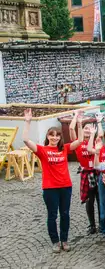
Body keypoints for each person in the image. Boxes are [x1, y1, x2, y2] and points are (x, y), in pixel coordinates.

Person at [23, 108, 84, 253]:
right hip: (50, 188)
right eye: (52, 135)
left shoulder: (64, 149)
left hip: (65, 186)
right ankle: (55, 241)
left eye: (57, 135)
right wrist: (27, 122)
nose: (55, 138)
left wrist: (79, 123)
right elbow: (25, 140)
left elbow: (80, 141)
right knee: (52, 215)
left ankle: (64, 240)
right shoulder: (42, 150)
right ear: (48, 136)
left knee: (65, 214)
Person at [70, 114, 100, 235]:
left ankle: (102, 223)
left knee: (100, 199)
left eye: (90, 128)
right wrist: (77, 120)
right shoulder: (78, 142)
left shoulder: (96, 141)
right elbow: (71, 129)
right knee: (89, 200)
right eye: (85, 128)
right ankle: (92, 225)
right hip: (86, 173)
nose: (87, 130)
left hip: (96, 171)